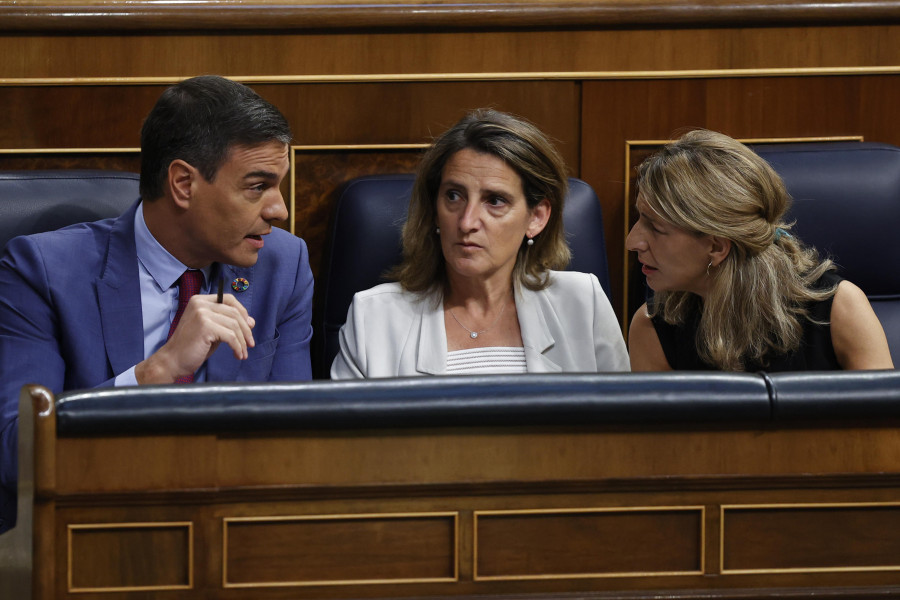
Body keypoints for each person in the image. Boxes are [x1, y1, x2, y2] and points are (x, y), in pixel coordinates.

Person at [0, 75, 315, 533]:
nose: (279, 210)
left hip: (230, 534)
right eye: (257, 186)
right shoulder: (44, 271)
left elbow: (295, 441)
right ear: (184, 183)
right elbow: (14, 454)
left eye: (278, 185)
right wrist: (155, 372)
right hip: (89, 534)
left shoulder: (282, 266)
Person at [331, 109, 629, 379]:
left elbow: (622, 434)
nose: (466, 222)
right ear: (434, 208)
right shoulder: (374, 316)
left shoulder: (583, 303)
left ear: (536, 217)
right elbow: (347, 439)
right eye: (453, 196)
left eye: (495, 201)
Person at [626, 128, 893, 372]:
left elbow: (883, 423)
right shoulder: (651, 328)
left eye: (656, 229)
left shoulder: (839, 309)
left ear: (717, 247)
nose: (631, 241)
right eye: (640, 219)